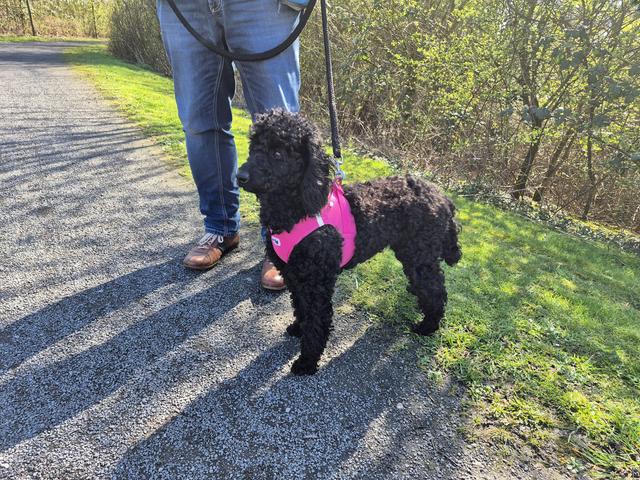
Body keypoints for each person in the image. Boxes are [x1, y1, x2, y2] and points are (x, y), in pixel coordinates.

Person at [156, 0, 302, 290]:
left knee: (280, 129)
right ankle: (220, 227)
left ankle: (283, 238)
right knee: (198, 121)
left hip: (264, 5)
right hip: (183, 7)